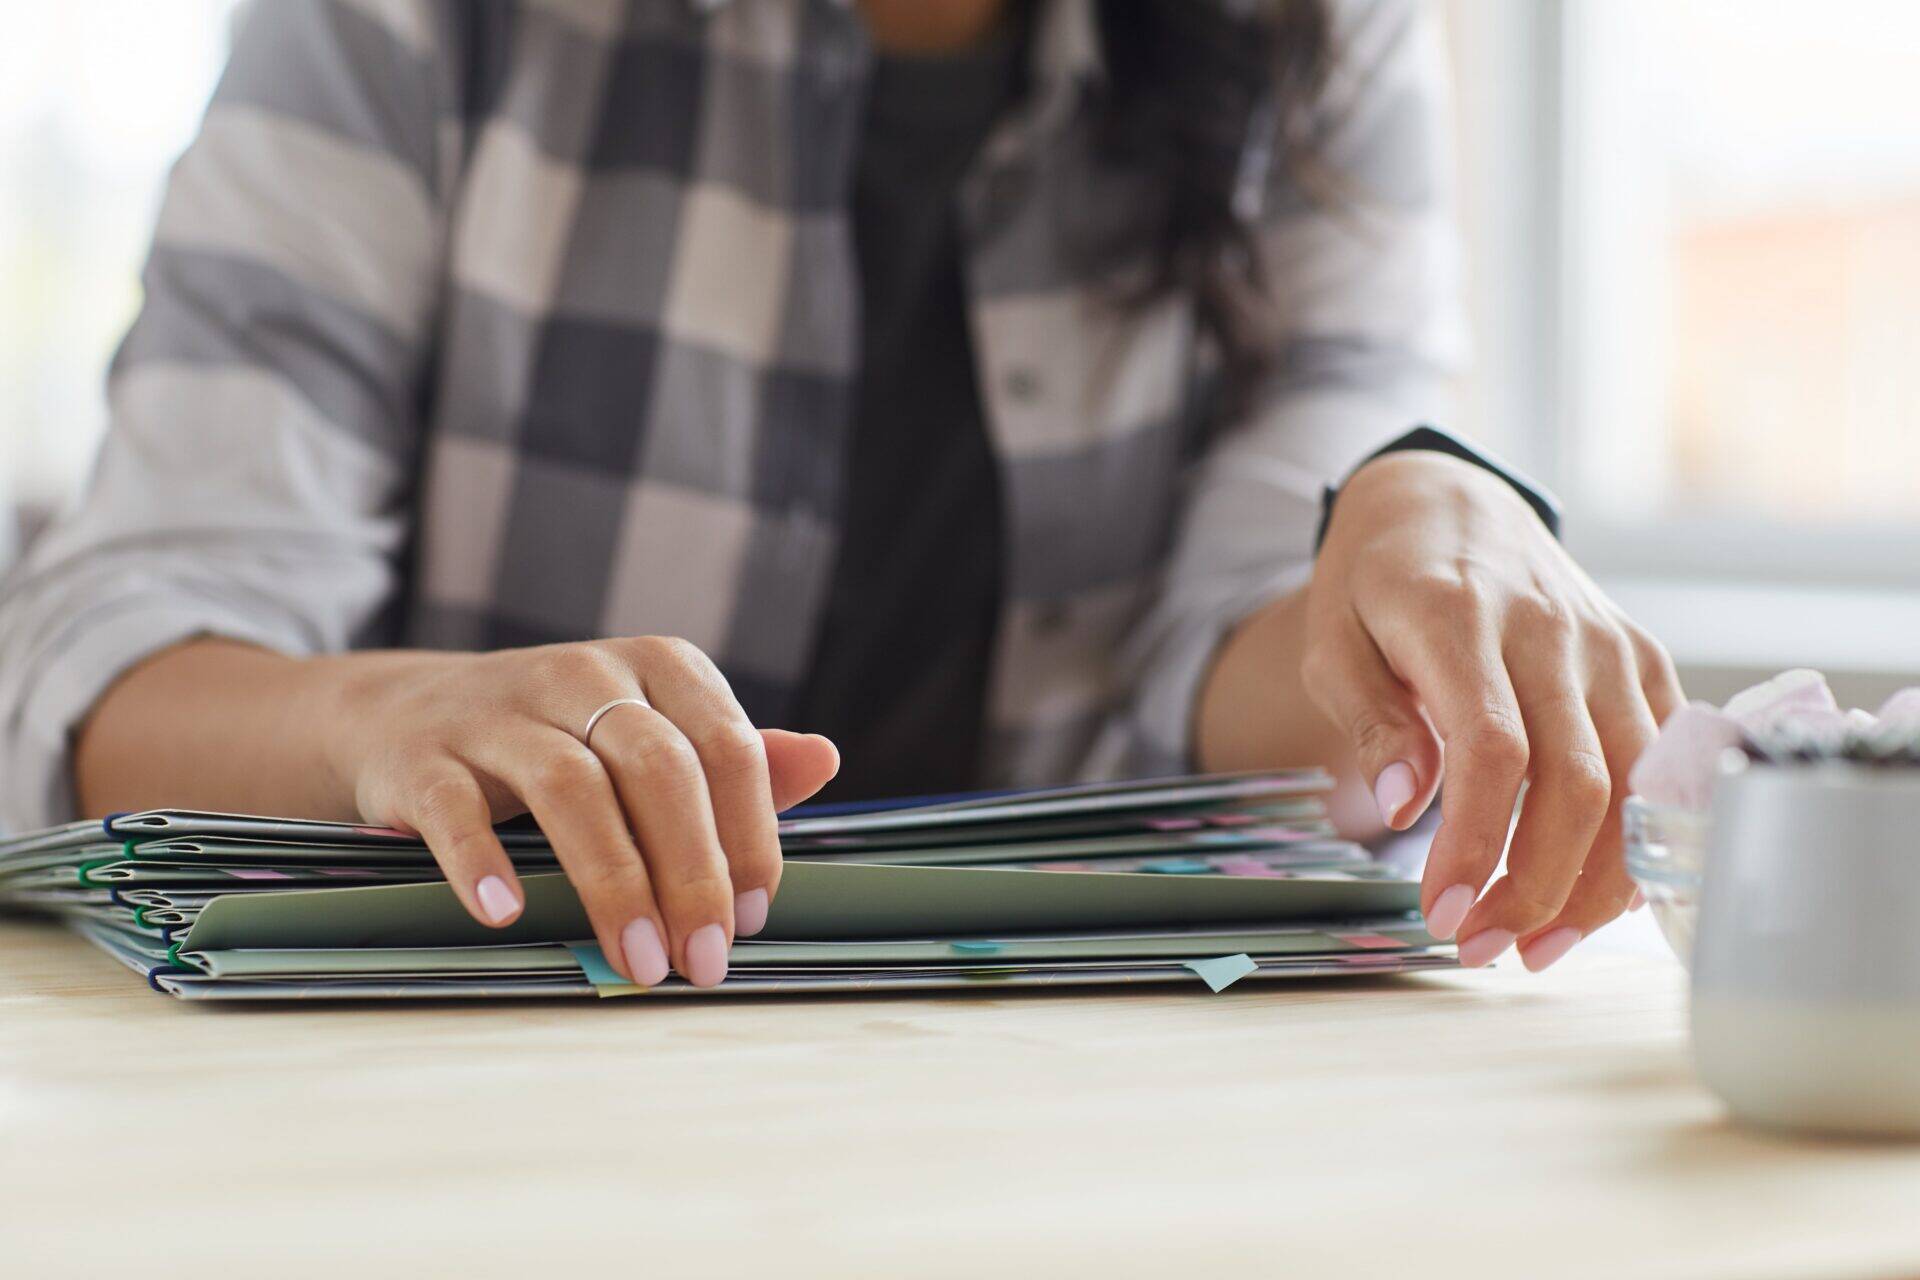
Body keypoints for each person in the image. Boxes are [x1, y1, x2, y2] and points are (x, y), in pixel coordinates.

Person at [0, 0, 1681, 990]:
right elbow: (108, 654)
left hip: (1053, 1076)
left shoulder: (1313, 30)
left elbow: (1239, 689)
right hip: (503, 1052)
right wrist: (398, 715)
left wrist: (1394, 541)